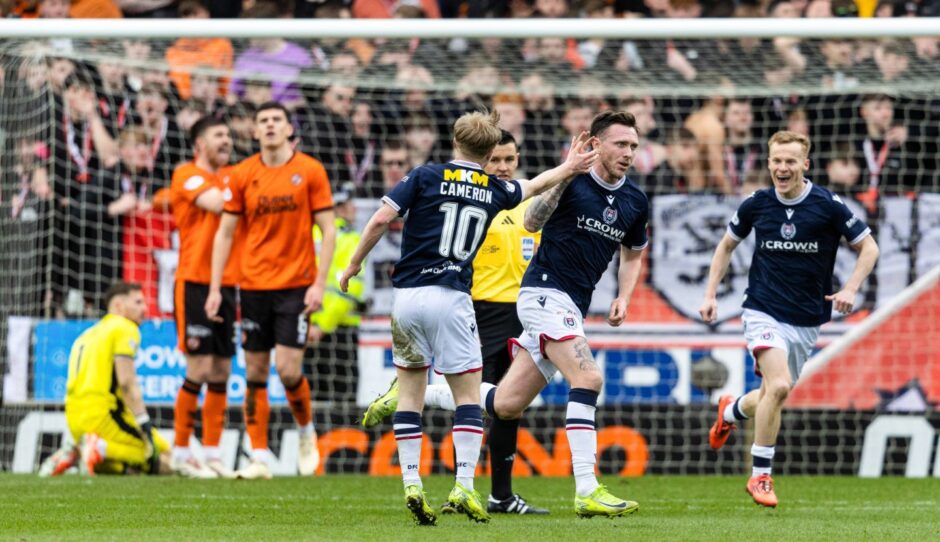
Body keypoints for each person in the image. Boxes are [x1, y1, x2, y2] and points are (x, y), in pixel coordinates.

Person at [354, 111, 646, 521]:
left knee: (505, 404)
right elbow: (531, 220)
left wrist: (624, 295)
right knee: (589, 378)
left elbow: (633, 253)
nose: (629, 153)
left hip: (568, 303)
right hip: (542, 292)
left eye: (634, 145)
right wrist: (563, 175)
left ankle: (408, 395)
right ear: (596, 144)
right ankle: (587, 489)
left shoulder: (636, 199)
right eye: (621, 144)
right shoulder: (571, 182)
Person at [699, 130, 879, 508]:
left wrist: (850, 288)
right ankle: (760, 476)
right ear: (769, 163)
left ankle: (730, 410)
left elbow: (869, 247)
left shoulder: (828, 205)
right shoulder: (756, 204)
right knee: (779, 386)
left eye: (790, 161)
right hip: (762, 308)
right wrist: (710, 294)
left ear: (805, 164)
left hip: (806, 318)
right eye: (777, 161)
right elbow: (726, 245)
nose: (783, 168)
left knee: (770, 395)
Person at [205, 101, 336, 480]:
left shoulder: (310, 171)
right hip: (254, 287)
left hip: (296, 287)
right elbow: (225, 233)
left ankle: (306, 431)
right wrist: (217, 288)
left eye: (276, 119)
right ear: (255, 131)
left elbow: (328, 230)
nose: (269, 125)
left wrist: (319, 284)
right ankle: (258, 455)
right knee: (256, 371)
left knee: (288, 369)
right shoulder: (242, 174)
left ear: (287, 127)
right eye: (263, 121)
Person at [167, 117, 239, 479]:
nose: (227, 140)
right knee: (198, 367)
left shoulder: (233, 177)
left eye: (228, 135)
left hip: (228, 282)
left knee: (222, 369)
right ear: (200, 143)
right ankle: (180, 451)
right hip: (194, 280)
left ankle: (211, 453)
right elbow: (217, 204)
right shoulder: (186, 174)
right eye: (219, 135)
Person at [48, 282, 172, 476]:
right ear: (118, 306)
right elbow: (126, 382)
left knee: (131, 469)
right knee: (163, 456)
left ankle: (80, 451)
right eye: (138, 302)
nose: (145, 309)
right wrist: (144, 422)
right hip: (104, 416)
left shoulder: (87, 334)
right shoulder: (124, 327)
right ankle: (97, 449)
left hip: (75, 421)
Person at [305, 182, 366, 404]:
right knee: (343, 404)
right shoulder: (351, 239)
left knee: (312, 401)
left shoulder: (310, 234)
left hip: (308, 328)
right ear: (339, 207)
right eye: (349, 204)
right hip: (339, 332)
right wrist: (324, 326)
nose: (354, 209)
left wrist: (313, 325)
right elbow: (349, 292)